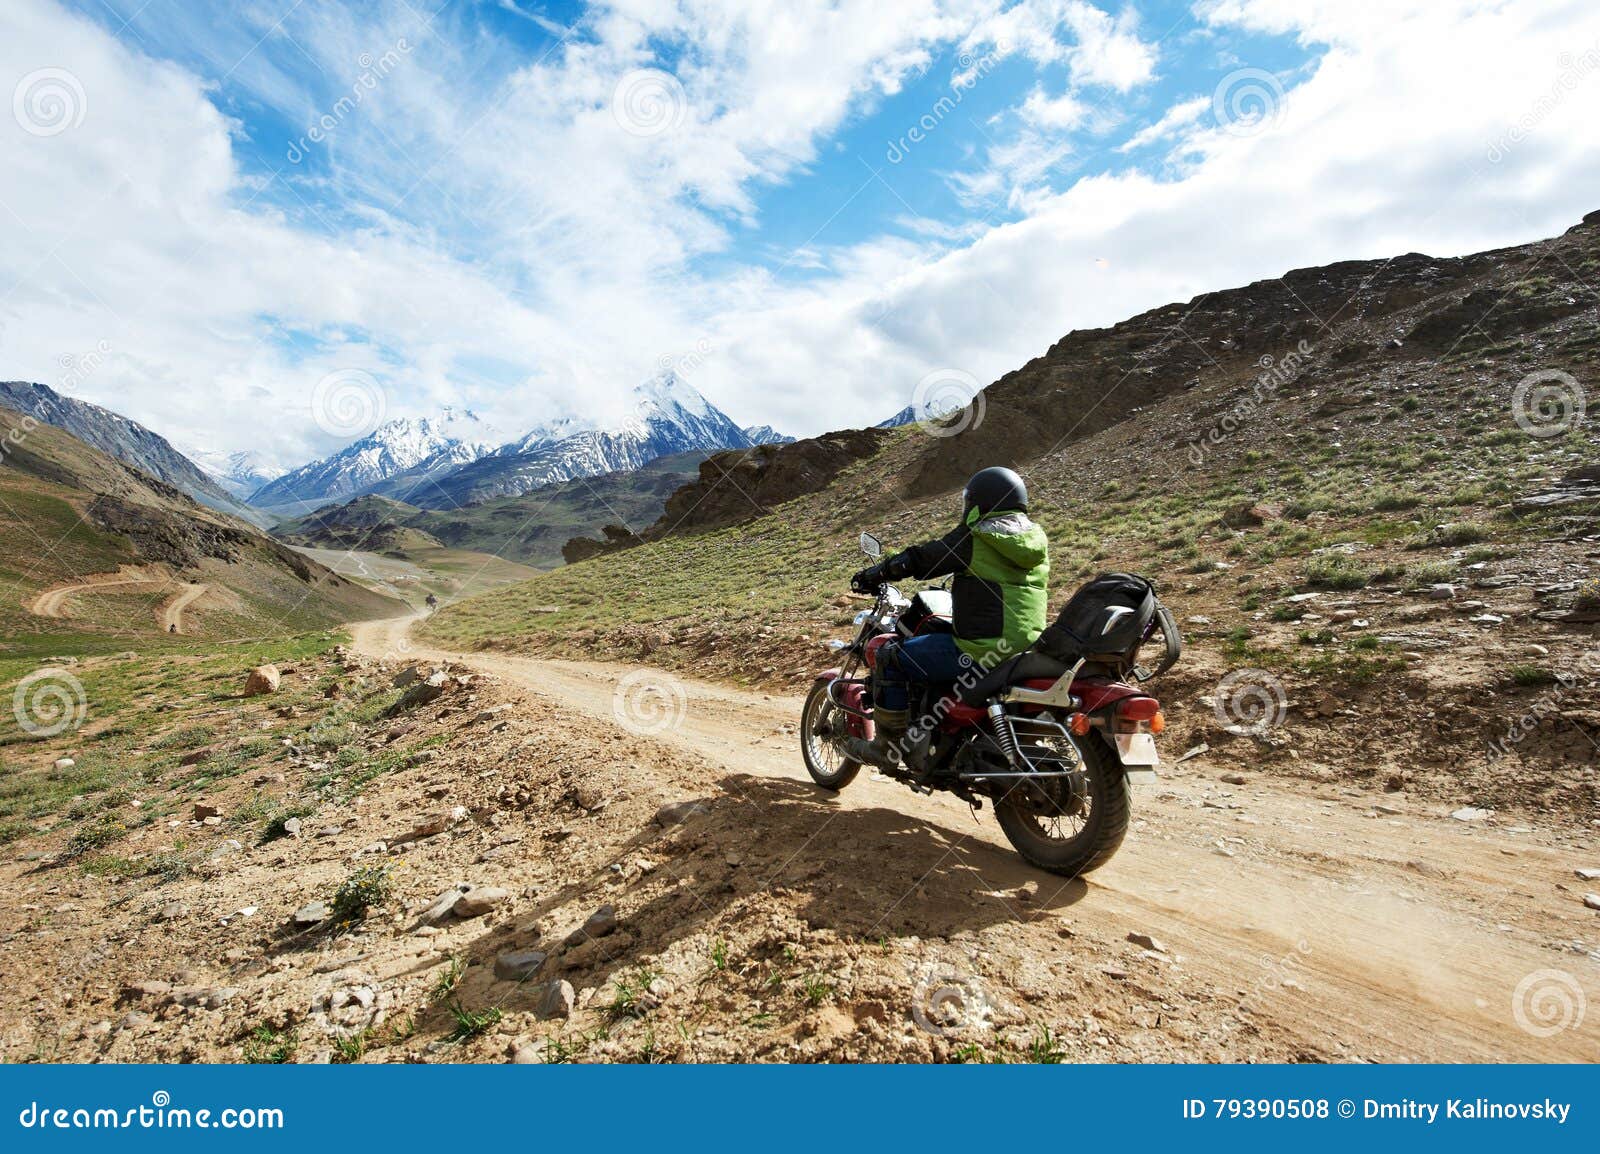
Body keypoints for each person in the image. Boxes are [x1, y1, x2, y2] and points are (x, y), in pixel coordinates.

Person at [850, 466, 1049, 765]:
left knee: (891, 657)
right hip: (1024, 646)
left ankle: (886, 748)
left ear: (978, 502)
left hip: (981, 647)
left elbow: (923, 560)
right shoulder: (1036, 540)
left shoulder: (978, 536)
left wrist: (877, 573)